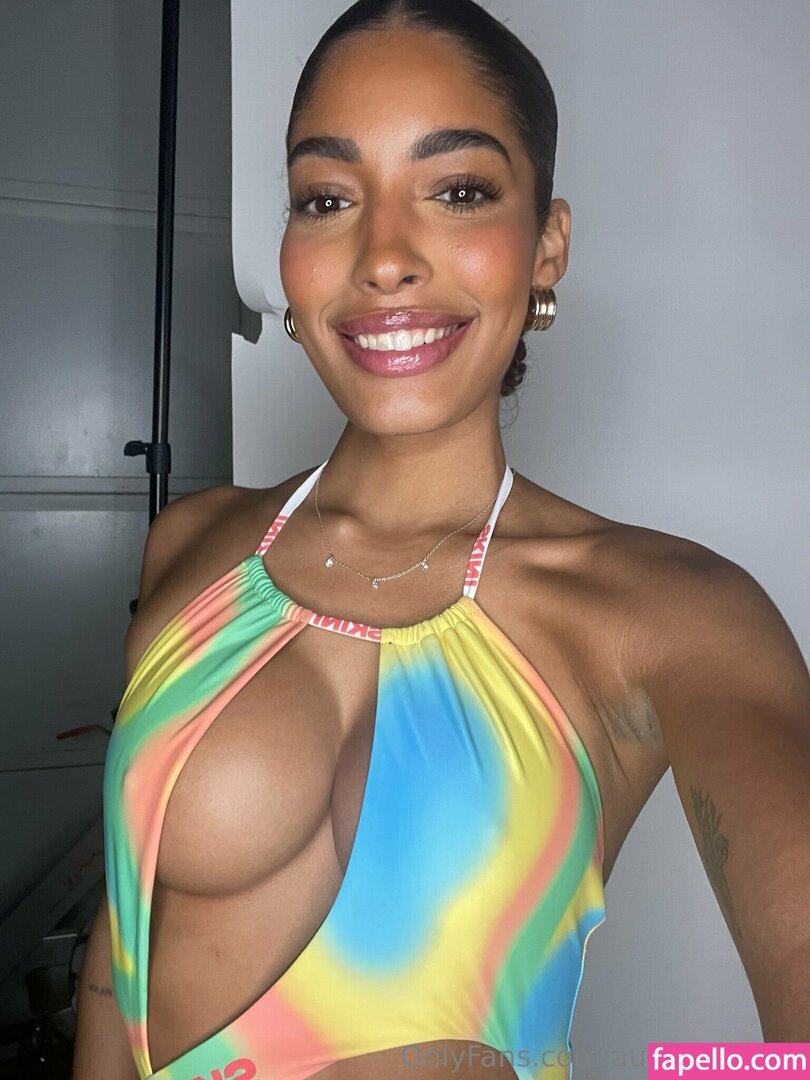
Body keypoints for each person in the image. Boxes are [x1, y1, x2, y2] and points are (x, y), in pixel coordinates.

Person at [72, 1, 810, 1078]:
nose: (383, 258)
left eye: (457, 190)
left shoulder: (671, 616)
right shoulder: (190, 543)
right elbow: (120, 952)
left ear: (547, 245)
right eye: (328, 198)